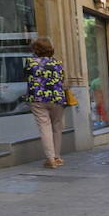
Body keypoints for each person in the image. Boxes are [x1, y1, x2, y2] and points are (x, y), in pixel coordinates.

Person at [26, 37, 67, 169]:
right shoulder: (57, 63)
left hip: (37, 99)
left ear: (35, 50)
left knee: (45, 127)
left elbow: (26, 77)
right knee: (57, 127)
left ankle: (50, 159)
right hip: (56, 98)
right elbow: (63, 79)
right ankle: (57, 157)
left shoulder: (30, 63)